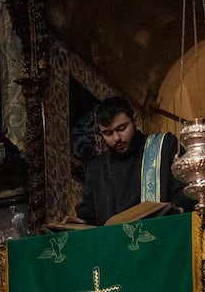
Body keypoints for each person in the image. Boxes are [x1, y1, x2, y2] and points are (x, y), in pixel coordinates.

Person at [75, 96, 192, 225]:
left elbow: (187, 191)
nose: (116, 138)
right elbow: (88, 213)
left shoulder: (164, 146)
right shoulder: (97, 169)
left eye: (121, 128)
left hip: (164, 234)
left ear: (135, 121)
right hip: (112, 242)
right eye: (108, 133)